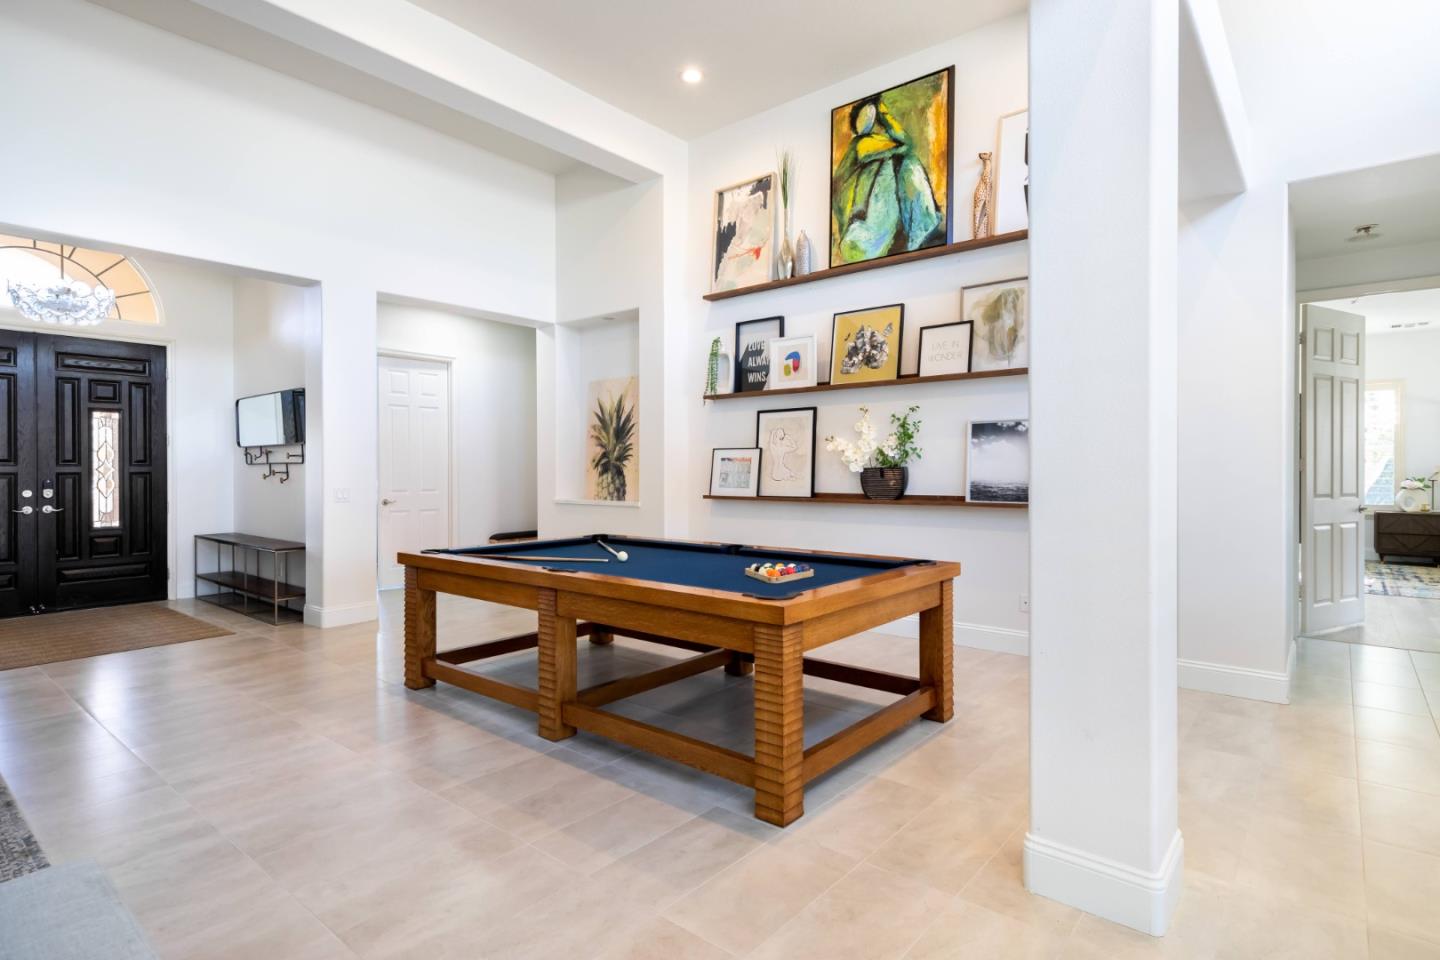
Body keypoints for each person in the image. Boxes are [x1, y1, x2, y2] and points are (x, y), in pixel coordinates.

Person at [832, 98, 943, 262]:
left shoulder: (873, 149)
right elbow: (906, 143)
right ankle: (921, 226)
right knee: (907, 163)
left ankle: (920, 226)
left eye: (873, 113)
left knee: (907, 164)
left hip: (869, 228)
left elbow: (904, 146)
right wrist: (885, 114)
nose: (870, 117)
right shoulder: (860, 144)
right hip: (861, 236)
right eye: (867, 114)